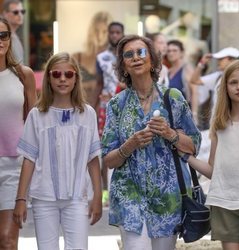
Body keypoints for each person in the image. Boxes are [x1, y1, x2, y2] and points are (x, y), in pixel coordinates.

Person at [101, 34, 201, 250]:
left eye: (141, 52)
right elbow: (108, 159)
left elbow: (194, 145)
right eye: (129, 55)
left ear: (153, 61)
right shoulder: (116, 105)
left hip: (167, 197)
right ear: (123, 67)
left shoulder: (172, 97)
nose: (136, 57)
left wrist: (169, 133)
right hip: (129, 196)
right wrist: (130, 145)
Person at [13, 52, 102, 250]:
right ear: (48, 78)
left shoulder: (87, 114)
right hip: (44, 198)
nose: (62, 79)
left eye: (68, 74)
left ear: (76, 78)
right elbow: (29, 159)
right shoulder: (37, 115)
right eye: (56, 74)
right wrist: (20, 199)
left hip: (77, 198)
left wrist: (97, 196)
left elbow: (92, 158)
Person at [187, 60, 239, 250]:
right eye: (233, 82)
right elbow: (213, 171)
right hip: (223, 203)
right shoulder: (219, 125)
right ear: (225, 87)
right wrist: (186, 157)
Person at [0, 17, 36, 249]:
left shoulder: (24, 74)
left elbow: (34, 123)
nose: (0, 41)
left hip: (14, 165)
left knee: (7, 239)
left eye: (3, 35)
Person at [95, 21, 124, 205]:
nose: (114, 35)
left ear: (122, 33)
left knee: (125, 146)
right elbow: (98, 83)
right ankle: (105, 192)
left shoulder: (129, 55)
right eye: (111, 32)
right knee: (104, 150)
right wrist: (91, 106)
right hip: (106, 107)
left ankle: (122, 189)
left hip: (125, 104)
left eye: (117, 32)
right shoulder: (101, 57)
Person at [190, 47, 239, 129]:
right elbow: (194, 80)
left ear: (232, 60)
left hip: (233, 126)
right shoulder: (218, 76)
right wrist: (202, 63)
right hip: (217, 126)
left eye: (221, 59)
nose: (218, 61)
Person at [72, 11, 112, 108]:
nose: (100, 36)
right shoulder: (76, 58)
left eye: (104, 31)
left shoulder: (115, 60)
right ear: (91, 31)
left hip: (105, 113)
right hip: (79, 110)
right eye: (96, 31)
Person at [166, 39, 197, 117]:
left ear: (181, 53)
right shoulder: (167, 71)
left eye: (174, 50)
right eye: (169, 51)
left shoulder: (187, 69)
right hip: (170, 115)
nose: (171, 53)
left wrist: (194, 114)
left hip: (184, 115)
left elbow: (195, 92)